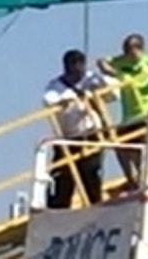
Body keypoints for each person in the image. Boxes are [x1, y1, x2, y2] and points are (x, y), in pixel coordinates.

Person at [97, 34, 148, 189]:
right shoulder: (122, 61)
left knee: (142, 148)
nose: (129, 56)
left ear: (140, 49)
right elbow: (102, 61)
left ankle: (145, 182)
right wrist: (109, 69)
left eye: (131, 52)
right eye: (126, 52)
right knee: (120, 145)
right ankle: (132, 180)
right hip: (129, 114)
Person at [42, 49, 117, 209]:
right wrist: (67, 100)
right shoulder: (56, 86)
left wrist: (105, 75)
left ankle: (94, 208)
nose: (77, 69)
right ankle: (57, 211)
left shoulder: (92, 79)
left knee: (91, 175)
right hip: (68, 139)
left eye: (80, 64)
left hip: (91, 135)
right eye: (73, 64)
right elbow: (48, 100)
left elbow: (114, 94)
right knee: (62, 179)